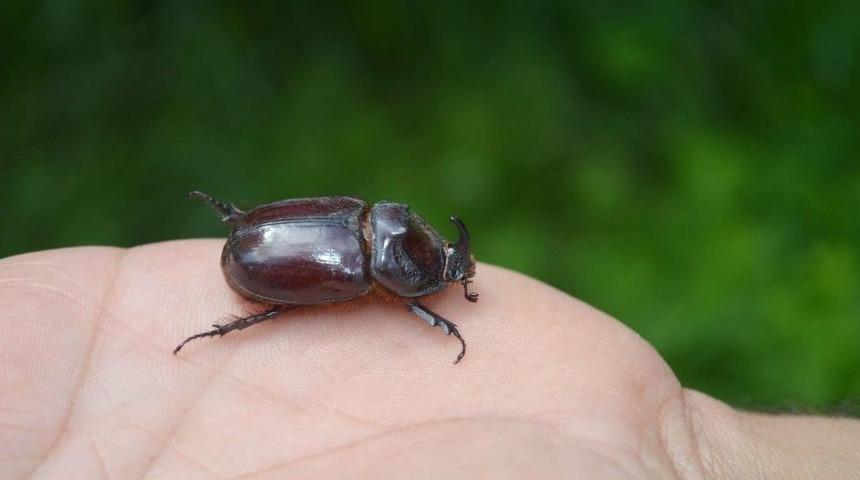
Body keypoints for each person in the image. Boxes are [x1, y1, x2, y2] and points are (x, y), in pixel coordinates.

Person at [2, 240, 858, 479]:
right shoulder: (366, 278)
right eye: (440, 274)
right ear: (408, 275)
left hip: (261, 240)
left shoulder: (377, 241)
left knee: (282, 315)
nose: (447, 278)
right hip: (261, 264)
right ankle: (221, 330)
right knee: (276, 321)